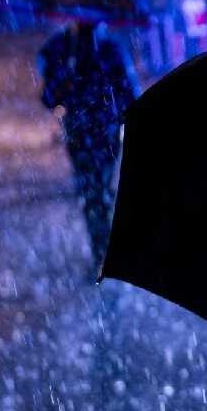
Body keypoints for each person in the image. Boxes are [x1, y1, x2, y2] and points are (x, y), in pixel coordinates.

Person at [37, 21, 138, 277]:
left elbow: (127, 91)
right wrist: (65, 81)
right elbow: (49, 97)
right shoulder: (61, 48)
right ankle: (102, 252)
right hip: (81, 136)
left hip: (104, 134)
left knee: (99, 192)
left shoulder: (109, 48)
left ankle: (105, 251)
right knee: (93, 193)